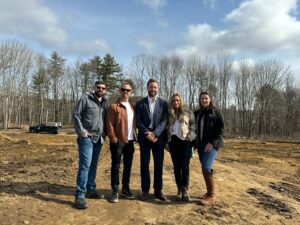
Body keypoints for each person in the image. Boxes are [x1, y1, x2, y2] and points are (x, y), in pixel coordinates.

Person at [72, 81, 108, 209]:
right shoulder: (85, 99)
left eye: (103, 88)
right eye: (98, 87)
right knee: (85, 166)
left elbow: (106, 119)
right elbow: (75, 115)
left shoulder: (105, 103)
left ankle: (91, 190)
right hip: (87, 138)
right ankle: (80, 195)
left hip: (99, 139)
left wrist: (105, 134)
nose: (101, 89)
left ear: (105, 90)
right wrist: (81, 132)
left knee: (93, 165)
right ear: (94, 88)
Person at [136, 79, 168, 201]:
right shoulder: (140, 103)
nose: (153, 89)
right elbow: (138, 121)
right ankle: (145, 190)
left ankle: (158, 190)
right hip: (145, 138)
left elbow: (165, 121)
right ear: (147, 88)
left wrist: (155, 133)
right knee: (144, 164)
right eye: (151, 87)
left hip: (158, 138)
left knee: (158, 164)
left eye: (155, 87)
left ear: (158, 89)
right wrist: (147, 133)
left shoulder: (163, 104)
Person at [106, 82, 136, 203]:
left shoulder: (132, 107)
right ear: (119, 91)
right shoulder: (114, 106)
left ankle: (125, 188)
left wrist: (135, 137)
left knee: (128, 166)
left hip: (130, 141)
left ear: (131, 92)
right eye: (123, 90)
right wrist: (113, 139)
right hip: (118, 141)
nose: (125, 92)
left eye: (127, 90)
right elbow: (109, 124)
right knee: (116, 166)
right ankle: (115, 190)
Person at [194, 91, 224, 206]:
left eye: (206, 98)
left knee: (206, 167)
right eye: (202, 99)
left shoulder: (215, 112)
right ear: (200, 100)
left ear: (210, 99)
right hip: (201, 145)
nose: (204, 100)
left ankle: (211, 195)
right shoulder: (197, 113)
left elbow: (221, 129)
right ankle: (208, 192)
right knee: (205, 168)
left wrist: (212, 143)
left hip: (212, 145)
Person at [167, 93, 196, 202]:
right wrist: (167, 142)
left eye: (178, 100)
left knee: (185, 167)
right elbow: (166, 127)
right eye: (174, 101)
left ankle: (185, 189)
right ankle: (179, 189)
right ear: (171, 102)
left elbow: (193, 126)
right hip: (173, 142)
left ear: (181, 101)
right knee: (176, 167)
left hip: (185, 142)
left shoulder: (188, 112)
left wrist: (190, 137)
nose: (176, 102)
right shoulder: (169, 113)